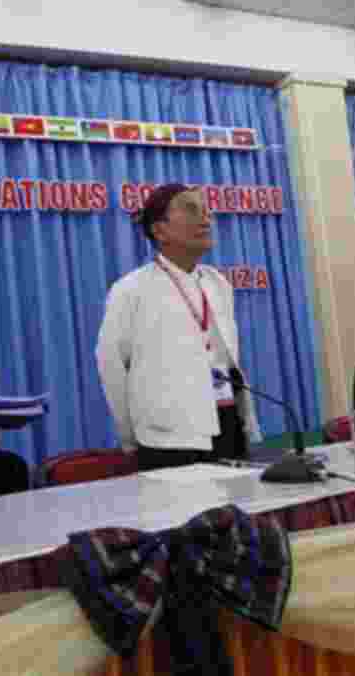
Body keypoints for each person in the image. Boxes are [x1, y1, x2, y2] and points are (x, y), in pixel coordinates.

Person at [96, 183, 261, 472]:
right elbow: (111, 365)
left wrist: (246, 419)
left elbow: (227, 358)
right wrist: (129, 437)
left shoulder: (218, 283)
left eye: (207, 211)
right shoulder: (131, 289)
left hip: (227, 424)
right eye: (191, 210)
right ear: (159, 231)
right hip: (169, 439)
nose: (205, 219)